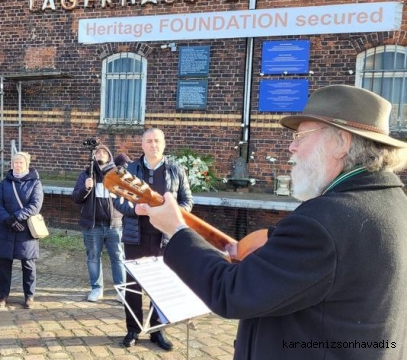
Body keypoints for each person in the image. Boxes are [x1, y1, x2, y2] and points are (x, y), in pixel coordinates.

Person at [142, 85, 407, 360]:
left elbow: (230, 293)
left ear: (341, 143)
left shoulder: (325, 222)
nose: (292, 146)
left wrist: (176, 229)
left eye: (301, 136)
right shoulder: (394, 202)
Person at [113, 128, 193, 351]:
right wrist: (133, 209)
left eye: (157, 141)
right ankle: (133, 329)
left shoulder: (176, 170)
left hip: (164, 238)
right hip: (135, 236)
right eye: (148, 141)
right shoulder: (129, 169)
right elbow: (118, 200)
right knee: (133, 286)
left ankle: (157, 330)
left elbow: (188, 201)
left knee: (161, 285)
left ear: (164, 144)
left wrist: (173, 213)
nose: (153, 145)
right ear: (142, 145)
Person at [72, 144, 125, 302]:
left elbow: (128, 195)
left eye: (104, 152)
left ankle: (121, 290)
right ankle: (97, 288)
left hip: (114, 224)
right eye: (97, 152)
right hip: (92, 225)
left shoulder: (118, 174)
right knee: (93, 258)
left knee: (118, 257)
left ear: (109, 156)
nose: (100, 154)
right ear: (94, 156)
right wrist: (85, 188)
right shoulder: (86, 174)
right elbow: (75, 198)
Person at [0, 152, 44, 309]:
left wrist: (17, 217)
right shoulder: (5, 183)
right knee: (4, 264)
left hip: (25, 229)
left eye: (21, 162)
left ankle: (29, 296)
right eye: (15, 162)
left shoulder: (35, 183)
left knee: (28, 264)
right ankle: (3, 296)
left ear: (27, 164)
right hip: (6, 228)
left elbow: (35, 205)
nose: (17, 165)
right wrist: (7, 219)